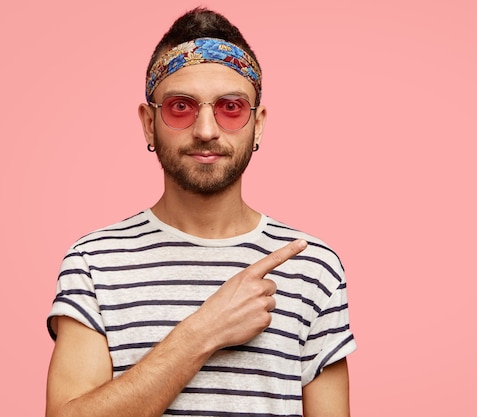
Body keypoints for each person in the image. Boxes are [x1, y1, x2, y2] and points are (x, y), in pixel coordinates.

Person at [45, 7, 356, 417]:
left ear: (257, 124)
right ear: (147, 123)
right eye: (180, 107)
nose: (206, 130)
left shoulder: (313, 266)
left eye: (231, 107)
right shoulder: (93, 261)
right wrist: (203, 332)